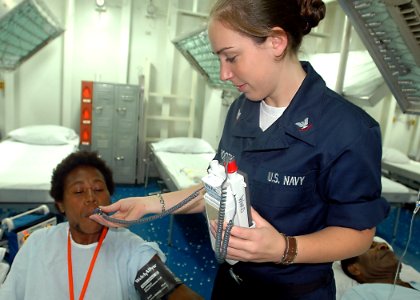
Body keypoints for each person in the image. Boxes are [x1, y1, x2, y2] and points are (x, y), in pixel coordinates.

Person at [91, 0, 390, 299]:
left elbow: (359, 235)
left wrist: (284, 249)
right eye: (219, 59)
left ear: (276, 42)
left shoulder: (348, 129)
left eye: (231, 57)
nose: (223, 73)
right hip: (230, 283)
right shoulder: (240, 111)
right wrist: (149, 204)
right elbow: (217, 188)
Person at [0, 151, 203, 300]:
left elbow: (172, 291)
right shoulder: (37, 244)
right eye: (78, 191)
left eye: (98, 189)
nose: (91, 198)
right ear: (60, 204)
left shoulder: (131, 248)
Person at [340, 240, 420, 299]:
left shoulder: (416, 284)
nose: (383, 245)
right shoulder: (360, 295)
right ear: (354, 269)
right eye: (370, 247)